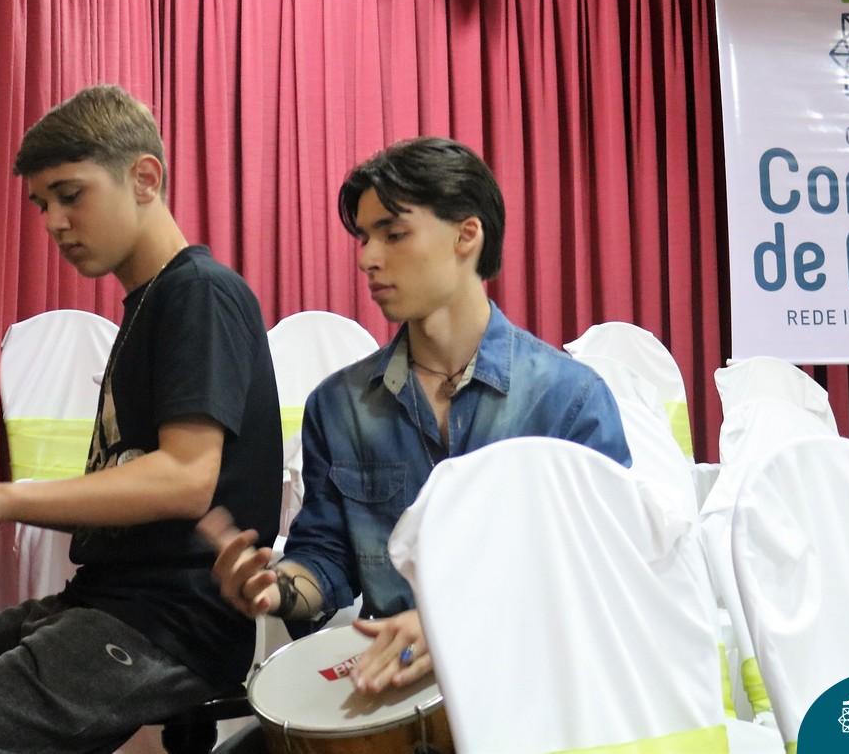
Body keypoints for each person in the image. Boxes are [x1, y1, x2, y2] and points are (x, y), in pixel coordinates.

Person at [0, 84, 283, 754]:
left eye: (71, 195)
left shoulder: (200, 293)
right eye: (43, 204)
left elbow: (186, 479)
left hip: (166, 623)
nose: (54, 222)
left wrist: (0, 498)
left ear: (145, 178)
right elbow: (128, 495)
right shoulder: (150, 302)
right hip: (103, 600)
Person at [199, 136, 630, 702]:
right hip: (397, 694)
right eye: (364, 237)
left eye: (393, 233)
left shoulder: (569, 400)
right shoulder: (339, 405)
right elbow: (325, 559)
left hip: (536, 692)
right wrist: (275, 588)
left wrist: (454, 626)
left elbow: (605, 575)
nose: (367, 257)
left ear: (466, 235)